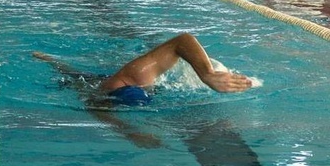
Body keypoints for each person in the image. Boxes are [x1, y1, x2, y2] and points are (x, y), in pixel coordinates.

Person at [33, 33, 252, 107]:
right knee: (74, 79)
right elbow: (96, 107)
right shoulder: (109, 91)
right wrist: (130, 131)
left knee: (79, 77)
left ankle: (50, 59)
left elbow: (182, 41)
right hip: (102, 88)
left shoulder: (137, 74)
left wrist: (207, 74)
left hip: (115, 81)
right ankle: (51, 60)